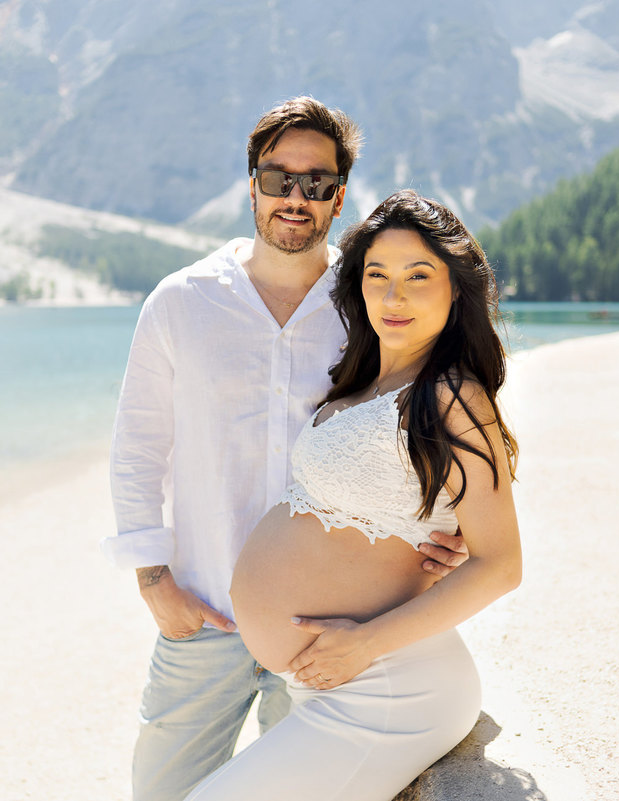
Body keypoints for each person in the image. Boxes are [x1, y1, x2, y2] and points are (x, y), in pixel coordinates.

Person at [106, 98, 469, 801]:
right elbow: (137, 446)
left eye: (316, 183)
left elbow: (426, 422)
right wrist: (153, 581)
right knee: (162, 791)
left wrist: (446, 529)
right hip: (200, 615)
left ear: (339, 198)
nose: (295, 198)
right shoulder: (180, 302)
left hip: (327, 631)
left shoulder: (367, 303)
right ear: (252, 186)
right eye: (279, 179)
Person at [184, 190, 523, 801]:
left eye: (419, 277)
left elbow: (501, 565)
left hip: (388, 686)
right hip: (333, 683)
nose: (394, 298)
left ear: (456, 288)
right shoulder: (363, 381)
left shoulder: (451, 395)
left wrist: (365, 642)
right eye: (378, 275)